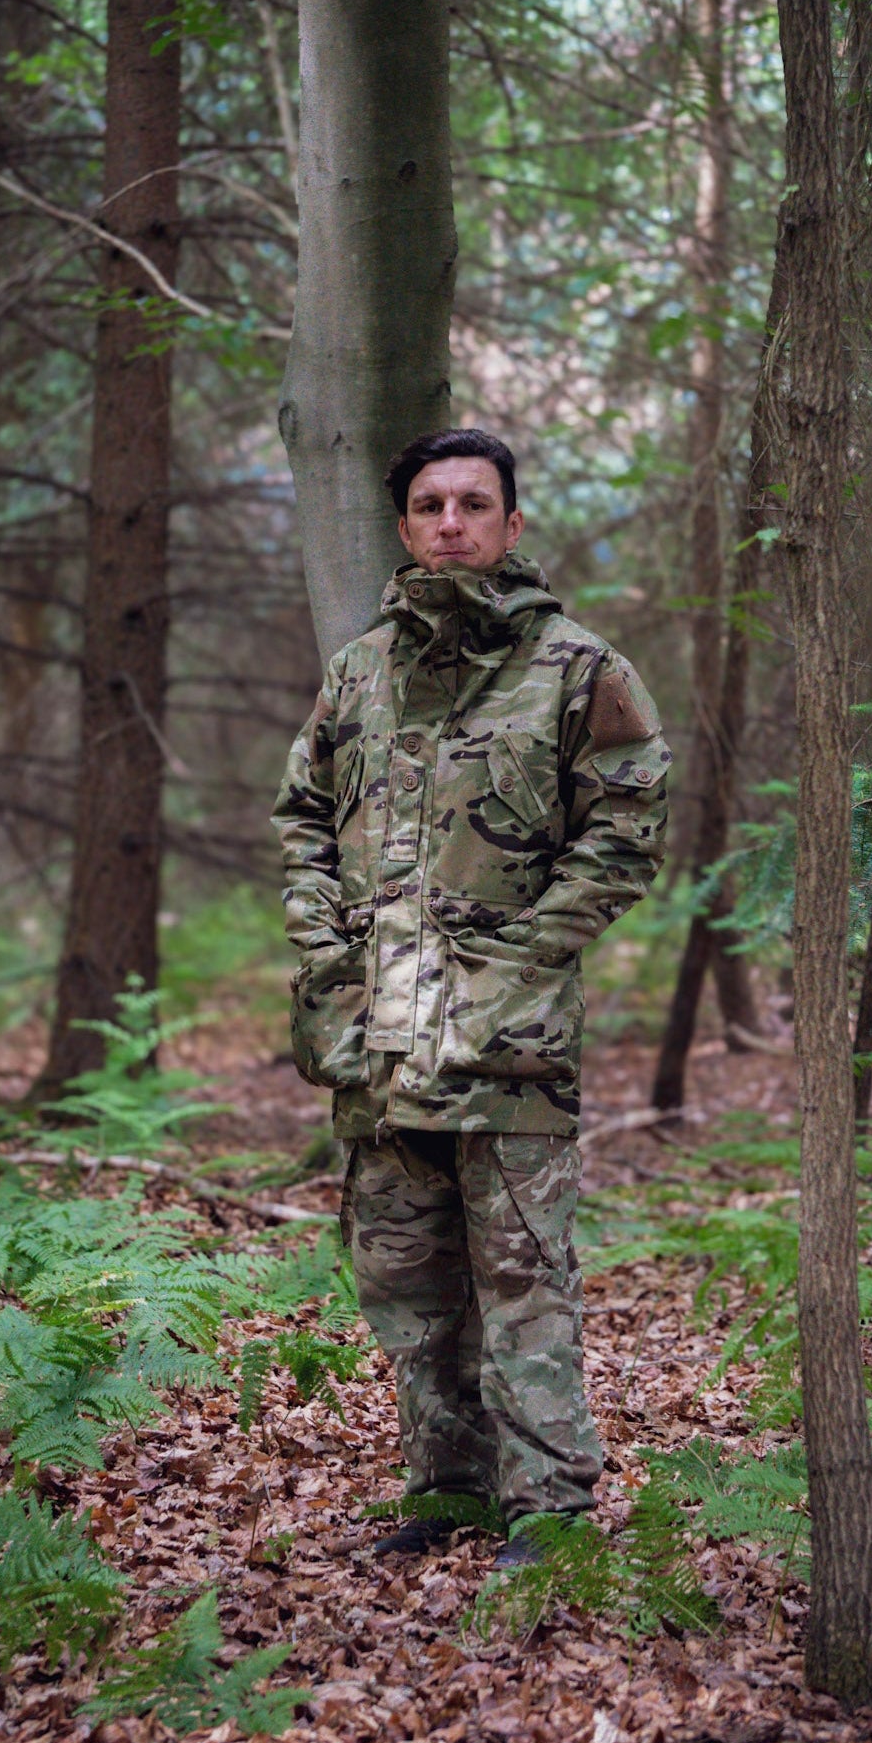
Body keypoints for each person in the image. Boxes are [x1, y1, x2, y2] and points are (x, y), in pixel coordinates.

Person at [272, 428, 670, 1566]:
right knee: (405, 1282)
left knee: (523, 1283)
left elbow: (627, 828)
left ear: (511, 524)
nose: (452, 521)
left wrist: (525, 960)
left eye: (474, 503)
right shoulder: (359, 674)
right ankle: (449, 1490)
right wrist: (326, 949)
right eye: (431, 504)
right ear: (405, 527)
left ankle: (549, 1512)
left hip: (509, 1047)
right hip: (376, 1044)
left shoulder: (578, 670)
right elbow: (302, 817)